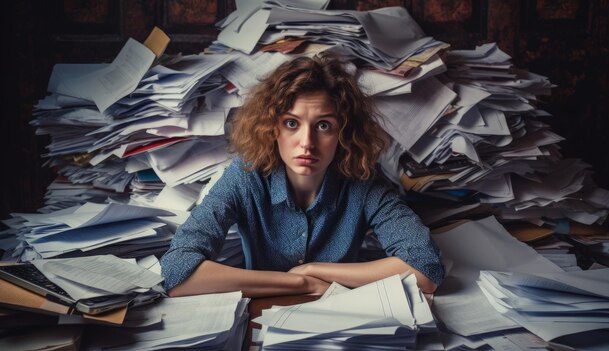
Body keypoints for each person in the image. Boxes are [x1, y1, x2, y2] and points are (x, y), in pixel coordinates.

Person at [160, 53, 444, 298]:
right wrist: (301, 283)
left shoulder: (364, 181)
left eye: (323, 126)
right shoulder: (246, 177)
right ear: (273, 128)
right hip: (260, 318)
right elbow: (177, 272)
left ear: (342, 132)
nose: (306, 142)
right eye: (292, 123)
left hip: (344, 319)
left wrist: (315, 270)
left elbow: (426, 270)